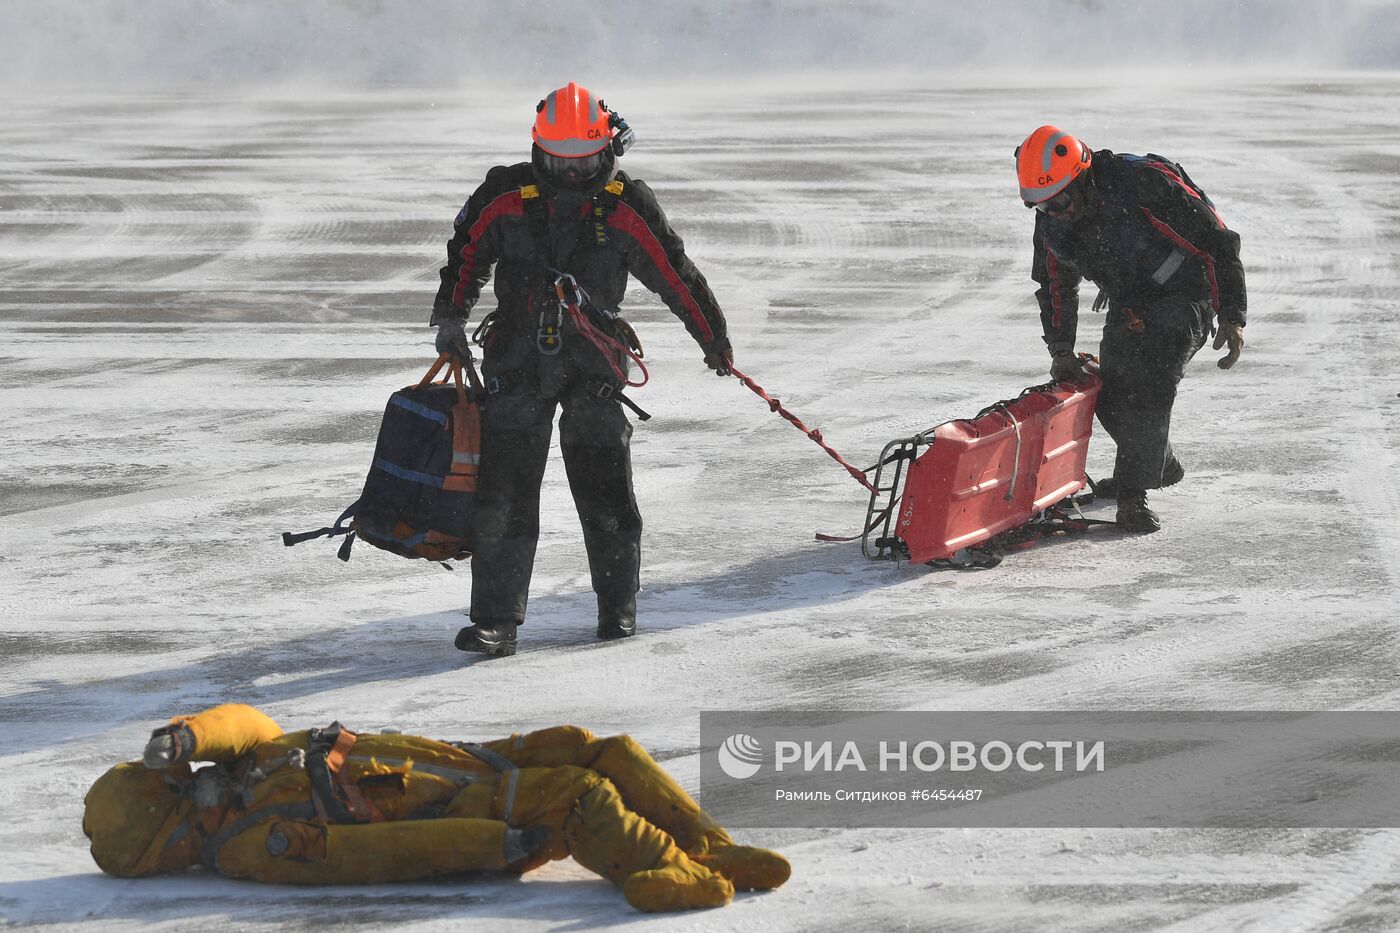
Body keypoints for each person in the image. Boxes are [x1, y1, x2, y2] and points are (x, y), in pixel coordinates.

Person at [431, 82, 732, 656]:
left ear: (607, 150)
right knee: (505, 494)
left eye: (585, 163)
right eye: (559, 164)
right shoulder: (505, 195)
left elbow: (674, 274)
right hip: (517, 359)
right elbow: (465, 254)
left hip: (594, 361)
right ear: (538, 150)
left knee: (605, 491)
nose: (572, 175)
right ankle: (496, 623)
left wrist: (712, 337)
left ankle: (616, 612)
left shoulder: (625, 205)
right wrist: (450, 320)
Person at [83, 703, 790, 914]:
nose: (193, 780)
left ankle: (708, 844)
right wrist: (493, 843)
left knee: (596, 747)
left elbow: (243, 719)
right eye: (177, 789)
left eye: (181, 774)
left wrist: (188, 734)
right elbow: (365, 858)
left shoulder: (245, 761)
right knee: (581, 795)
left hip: (452, 759)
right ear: (166, 832)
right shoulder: (245, 845)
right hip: (454, 807)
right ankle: (669, 873)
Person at [1015, 125, 1247, 533]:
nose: (1056, 212)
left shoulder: (1143, 184)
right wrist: (1061, 350)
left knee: (1152, 381)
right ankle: (1158, 464)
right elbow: (1053, 284)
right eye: (1044, 206)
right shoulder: (1053, 219)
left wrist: (1232, 313)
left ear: (1083, 175)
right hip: (1132, 299)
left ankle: (1132, 494)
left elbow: (1217, 242)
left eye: (1061, 201)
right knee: (1110, 391)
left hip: (1189, 291)